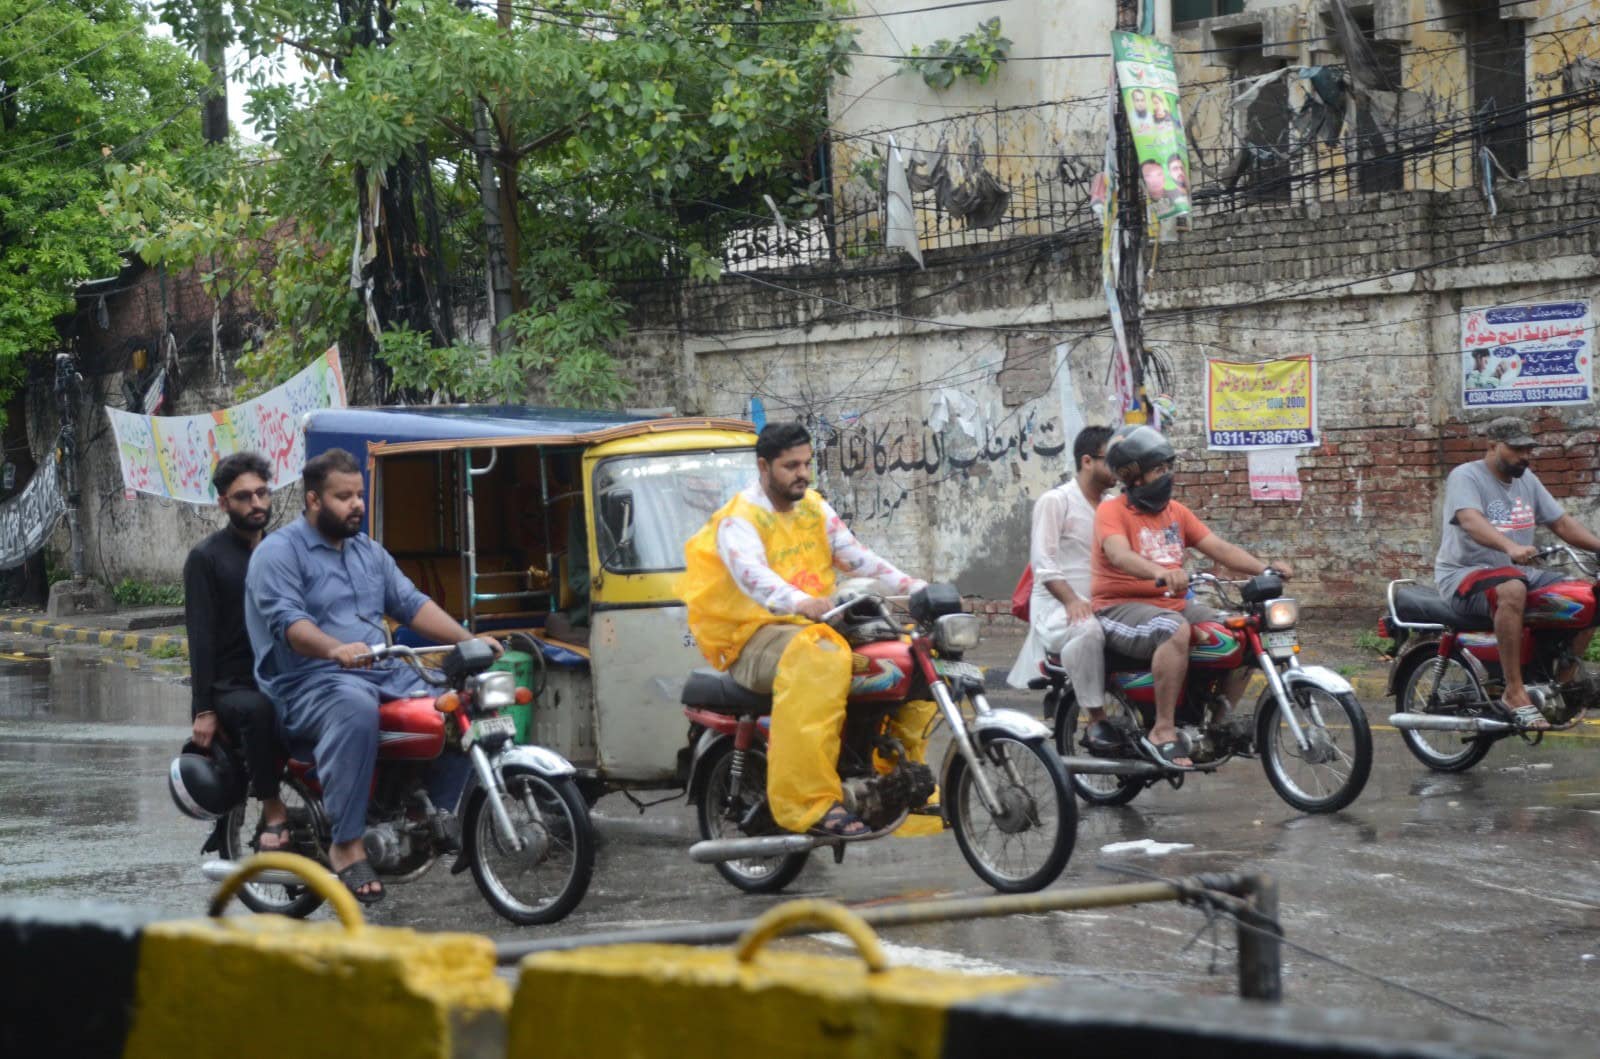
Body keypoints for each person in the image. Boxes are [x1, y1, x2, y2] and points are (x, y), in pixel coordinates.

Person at [244, 448, 502, 903]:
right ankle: (346, 844)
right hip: (308, 683)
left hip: (380, 673)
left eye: (359, 495)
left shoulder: (369, 552)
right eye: (343, 497)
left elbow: (411, 603)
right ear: (313, 500)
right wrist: (335, 648)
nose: (357, 505)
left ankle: (432, 816)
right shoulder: (278, 553)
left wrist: (468, 641)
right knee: (355, 707)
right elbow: (288, 623)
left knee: (460, 699)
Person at [682, 422, 930, 838]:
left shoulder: (814, 507)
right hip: (754, 637)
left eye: (807, 463)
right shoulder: (739, 520)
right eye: (791, 465)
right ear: (764, 467)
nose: (803, 473)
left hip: (816, 626)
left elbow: (858, 558)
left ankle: (891, 779)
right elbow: (753, 577)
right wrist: (801, 602)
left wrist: (917, 588)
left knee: (910, 654)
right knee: (822, 658)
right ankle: (809, 803)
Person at [1091, 425, 1290, 769]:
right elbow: (1120, 554)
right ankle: (1162, 730)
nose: (1166, 476)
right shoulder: (1112, 512)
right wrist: (1158, 572)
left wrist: (1265, 569)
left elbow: (1219, 548)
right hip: (1117, 608)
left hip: (1174, 604)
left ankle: (1218, 725)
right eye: (1158, 470)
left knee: (1243, 630)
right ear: (1135, 477)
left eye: (1168, 468)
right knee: (1174, 629)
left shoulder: (1176, 512)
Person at [1433, 417, 1600, 729]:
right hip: (1464, 573)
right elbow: (1470, 520)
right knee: (1512, 589)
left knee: (1585, 596)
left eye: (1528, 449)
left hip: (1517, 572)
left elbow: (1561, 523)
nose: (1525, 456)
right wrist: (1509, 546)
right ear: (1493, 445)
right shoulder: (1465, 476)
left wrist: (1598, 546)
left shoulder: (1528, 480)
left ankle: (1561, 682)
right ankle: (1513, 690)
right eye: (1517, 449)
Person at [184, 452, 288, 850]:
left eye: (262, 493)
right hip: (232, 684)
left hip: (277, 672)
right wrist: (204, 710)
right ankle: (273, 807)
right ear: (223, 502)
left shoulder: (281, 550)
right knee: (258, 711)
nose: (256, 503)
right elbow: (201, 638)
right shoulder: (206, 559)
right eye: (243, 496)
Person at [1007, 426, 1118, 734]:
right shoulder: (1056, 501)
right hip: (1059, 608)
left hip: (1103, 601)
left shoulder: (1113, 505)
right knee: (1089, 631)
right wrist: (1072, 601)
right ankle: (1097, 720)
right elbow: (1044, 565)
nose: (1118, 470)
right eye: (1112, 461)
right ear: (1087, 462)